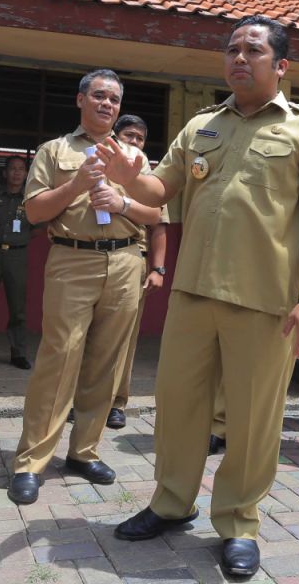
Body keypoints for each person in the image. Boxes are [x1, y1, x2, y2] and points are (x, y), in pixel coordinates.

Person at [98, 16, 299, 579]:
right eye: (232, 49)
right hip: (193, 292)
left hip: (264, 300)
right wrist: (126, 174)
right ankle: (170, 503)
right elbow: (161, 190)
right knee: (179, 408)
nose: (239, 58)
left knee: (254, 417)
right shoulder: (201, 125)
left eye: (252, 50)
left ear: (280, 66)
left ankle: (238, 522)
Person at [7, 70, 163, 506]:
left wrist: (124, 202)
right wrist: (76, 184)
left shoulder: (133, 156)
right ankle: (32, 460)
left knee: (106, 362)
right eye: (98, 95)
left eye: (114, 99)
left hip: (125, 261)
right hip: (72, 258)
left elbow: (156, 213)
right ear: (80, 100)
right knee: (59, 358)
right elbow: (35, 212)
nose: (106, 104)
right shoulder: (55, 150)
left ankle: (84, 451)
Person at [108, 114, 169, 430]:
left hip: (134, 257)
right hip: (94, 256)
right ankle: (83, 400)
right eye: (129, 135)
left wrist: (157, 268)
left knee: (124, 337)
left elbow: (159, 225)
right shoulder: (98, 164)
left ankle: (116, 403)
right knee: (87, 335)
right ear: (115, 136)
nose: (133, 142)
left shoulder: (149, 178)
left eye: (140, 138)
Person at [0, 154, 34, 370]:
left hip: (17, 255)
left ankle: (18, 353)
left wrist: (18, 240)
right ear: (5, 172)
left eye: (21, 169)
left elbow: (37, 227)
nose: (17, 172)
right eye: (13, 168)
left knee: (18, 308)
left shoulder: (30, 198)